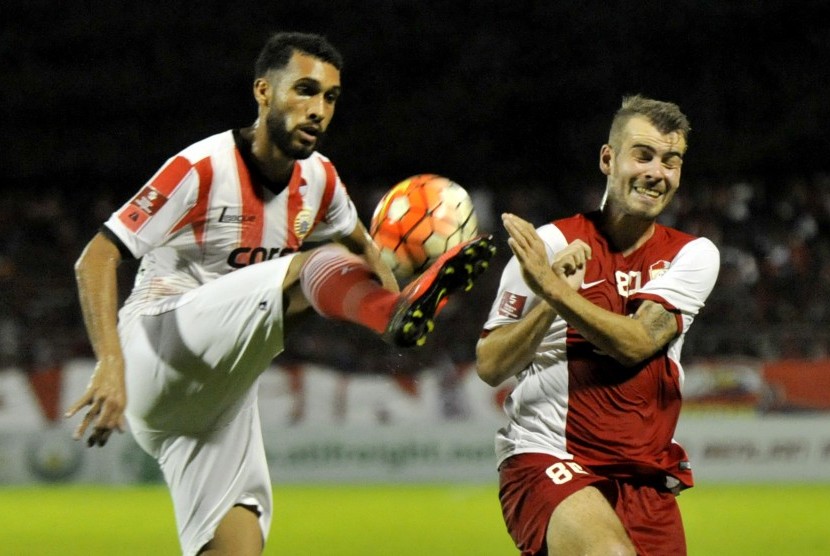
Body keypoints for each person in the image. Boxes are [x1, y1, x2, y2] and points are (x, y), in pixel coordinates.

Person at [65, 31, 494, 556]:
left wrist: (394, 297)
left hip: (219, 399)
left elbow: (362, 249)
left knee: (238, 548)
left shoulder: (321, 180)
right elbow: (96, 257)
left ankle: (392, 315)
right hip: (157, 346)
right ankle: (391, 315)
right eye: (305, 91)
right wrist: (108, 363)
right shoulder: (201, 167)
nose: (318, 110)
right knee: (310, 266)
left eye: (330, 98)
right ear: (264, 91)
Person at [476, 95, 719, 555]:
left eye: (671, 161)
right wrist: (548, 300)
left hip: (642, 474)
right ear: (608, 159)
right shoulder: (549, 242)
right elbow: (490, 363)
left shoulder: (694, 254)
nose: (657, 173)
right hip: (547, 456)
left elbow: (638, 342)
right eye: (643, 155)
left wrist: (554, 288)